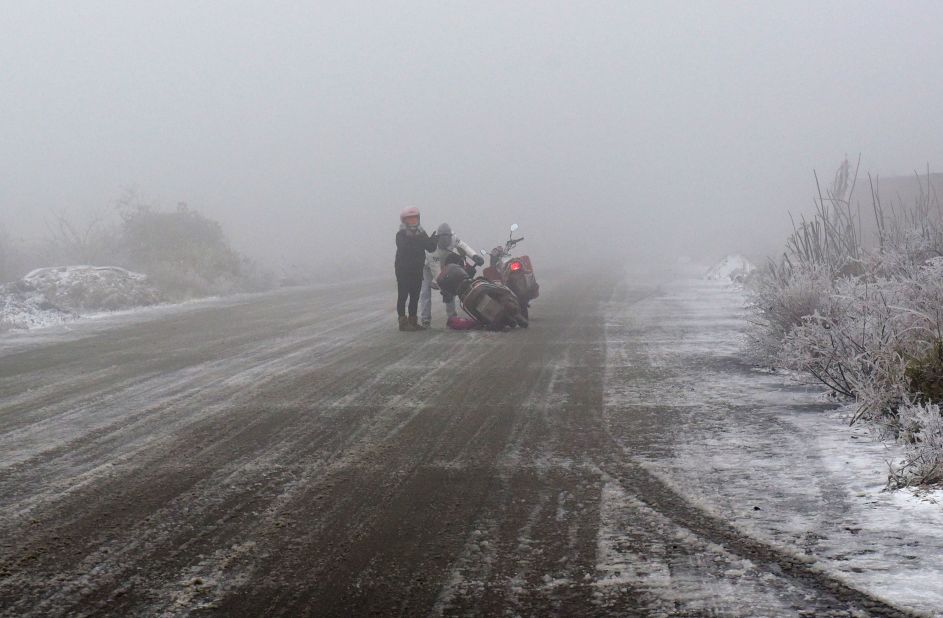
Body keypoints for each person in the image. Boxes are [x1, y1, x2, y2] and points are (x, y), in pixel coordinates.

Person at [420, 222, 484, 326]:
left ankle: (452, 317)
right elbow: (437, 274)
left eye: (447, 238)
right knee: (426, 292)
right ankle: (425, 318)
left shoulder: (454, 238)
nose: (446, 241)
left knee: (451, 287)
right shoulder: (432, 250)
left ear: (450, 236)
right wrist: (443, 288)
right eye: (443, 239)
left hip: (445, 263)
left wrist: (474, 256)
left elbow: (464, 246)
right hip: (427, 267)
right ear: (438, 237)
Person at [395, 206, 437, 331]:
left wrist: (433, 241)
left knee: (415, 295)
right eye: (410, 219)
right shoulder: (401, 234)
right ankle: (403, 322)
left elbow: (430, 248)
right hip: (403, 269)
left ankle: (413, 321)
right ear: (404, 221)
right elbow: (405, 248)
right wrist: (421, 240)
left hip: (417, 268)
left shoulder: (421, 233)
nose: (413, 221)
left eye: (415, 219)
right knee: (403, 295)